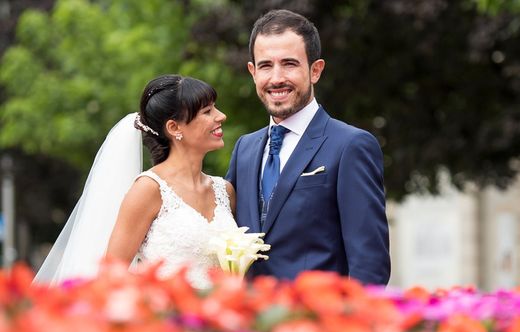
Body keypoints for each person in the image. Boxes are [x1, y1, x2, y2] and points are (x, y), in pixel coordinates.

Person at [226, 9, 391, 285]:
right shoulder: (245, 148)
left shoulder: (350, 146)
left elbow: (369, 266)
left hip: (319, 322)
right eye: (266, 66)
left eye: (289, 64)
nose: (276, 78)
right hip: (251, 323)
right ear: (252, 72)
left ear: (315, 70)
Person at [35, 75, 237, 288]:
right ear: (175, 128)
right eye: (207, 111)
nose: (221, 116)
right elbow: (112, 276)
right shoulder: (149, 190)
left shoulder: (225, 191)